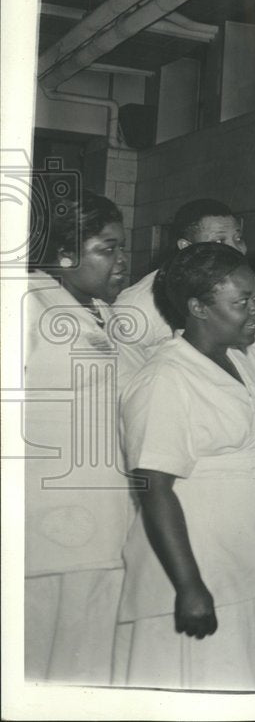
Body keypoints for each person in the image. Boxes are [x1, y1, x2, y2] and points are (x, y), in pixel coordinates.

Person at [116, 243, 255, 691]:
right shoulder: (164, 377)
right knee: (214, 684)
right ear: (197, 307)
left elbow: (253, 436)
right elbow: (154, 487)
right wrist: (189, 584)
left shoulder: (244, 360)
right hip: (203, 559)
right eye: (241, 302)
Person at [22, 190, 143, 684]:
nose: (121, 262)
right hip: (46, 528)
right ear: (66, 253)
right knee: (36, 667)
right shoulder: (26, 303)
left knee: (89, 668)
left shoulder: (105, 314)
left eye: (123, 249)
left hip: (109, 522)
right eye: (108, 249)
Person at [115, 198, 255, 360]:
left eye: (238, 239)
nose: (237, 250)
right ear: (186, 246)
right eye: (219, 241)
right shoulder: (138, 304)